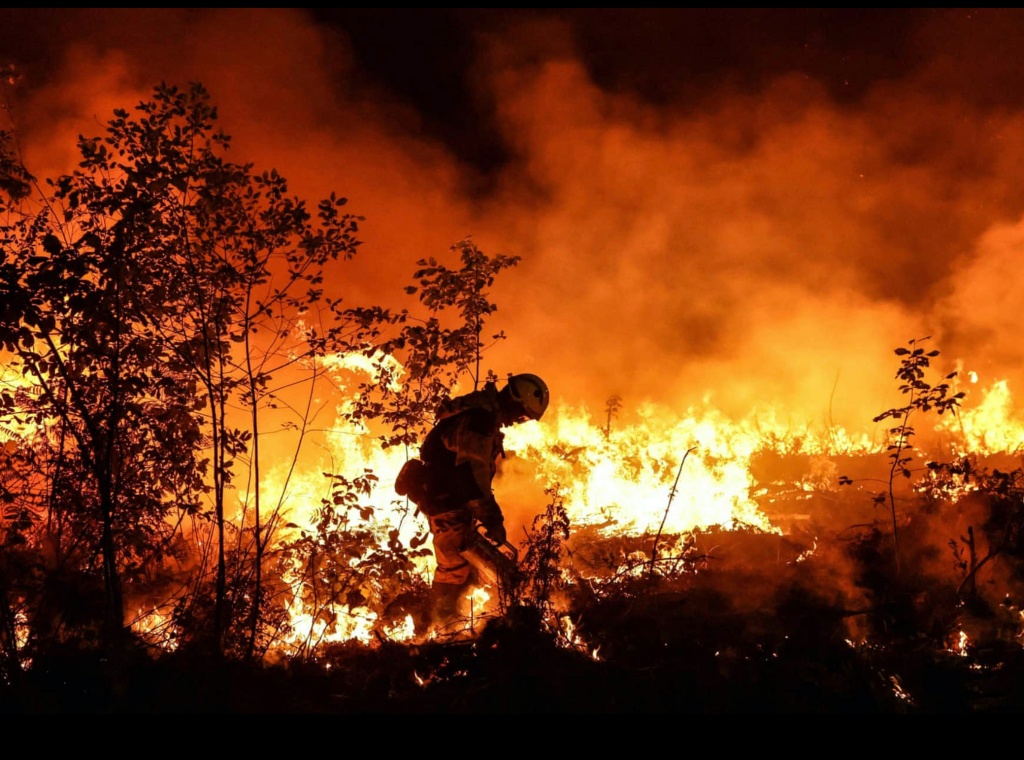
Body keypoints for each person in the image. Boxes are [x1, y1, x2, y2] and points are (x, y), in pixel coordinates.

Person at [413, 373, 549, 626]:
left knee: (468, 567)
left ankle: (452, 626)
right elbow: (471, 474)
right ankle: (436, 629)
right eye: (522, 415)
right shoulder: (479, 420)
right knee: (453, 569)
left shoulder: (478, 414)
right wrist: (492, 518)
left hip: (448, 500)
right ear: (514, 400)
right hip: (447, 502)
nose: (518, 422)